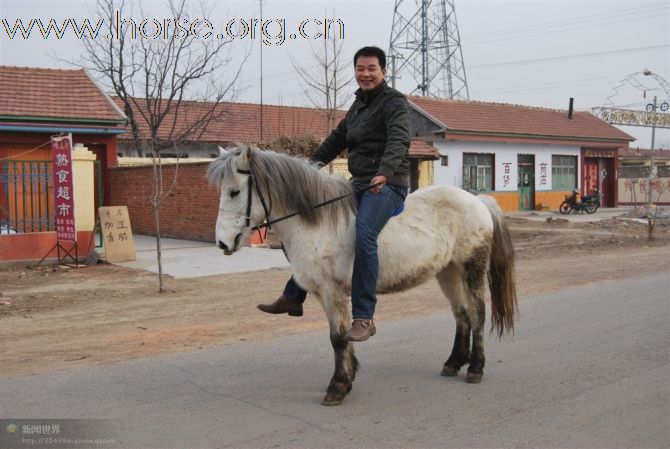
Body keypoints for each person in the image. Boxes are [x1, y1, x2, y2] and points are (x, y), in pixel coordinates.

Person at [257, 46, 411, 342]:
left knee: (364, 234)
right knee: (311, 225)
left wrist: (386, 171)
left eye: (371, 68)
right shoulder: (357, 107)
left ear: (384, 71)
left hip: (388, 184)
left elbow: (399, 139)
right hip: (359, 183)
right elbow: (336, 140)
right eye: (360, 69)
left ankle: (364, 317)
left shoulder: (394, 103)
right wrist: (309, 169)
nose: (365, 74)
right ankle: (293, 295)